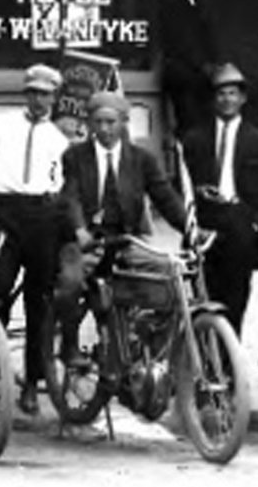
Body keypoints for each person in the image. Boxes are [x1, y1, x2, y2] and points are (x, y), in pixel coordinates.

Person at [52, 90, 188, 364]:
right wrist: (79, 230)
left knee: (170, 276)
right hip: (85, 242)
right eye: (98, 122)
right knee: (69, 284)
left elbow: (165, 198)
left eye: (111, 122)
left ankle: (153, 349)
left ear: (124, 122)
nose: (105, 129)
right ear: (89, 124)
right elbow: (71, 196)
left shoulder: (142, 159)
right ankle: (69, 344)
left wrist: (190, 229)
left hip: (125, 241)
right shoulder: (75, 157)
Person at [0, 62, 66, 415]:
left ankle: (32, 383)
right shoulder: (3, 124)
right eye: (33, 93)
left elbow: (66, 183)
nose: (39, 100)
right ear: (25, 94)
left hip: (42, 217)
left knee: (39, 302)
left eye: (46, 95)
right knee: (1, 292)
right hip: (5, 213)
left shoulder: (60, 138)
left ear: (54, 98)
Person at [176, 63, 258, 334]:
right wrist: (191, 221)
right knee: (202, 297)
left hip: (241, 225)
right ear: (214, 99)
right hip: (205, 225)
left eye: (233, 93)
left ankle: (230, 355)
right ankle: (206, 356)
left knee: (235, 299)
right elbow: (179, 189)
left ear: (243, 98)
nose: (227, 99)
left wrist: (257, 226)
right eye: (221, 94)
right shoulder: (194, 140)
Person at [154, 0, 215, 143]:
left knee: (204, 122)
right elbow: (178, 38)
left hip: (201, 74)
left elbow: (207, 31)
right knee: (187, 122)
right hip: (182, 72)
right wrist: (201, 63)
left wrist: (212, 62)